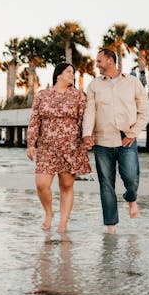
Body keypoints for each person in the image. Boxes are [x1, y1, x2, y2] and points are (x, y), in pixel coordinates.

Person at [82, 49, 149, 234]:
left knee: (131, 179)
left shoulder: (132, 82)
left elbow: (144, 111)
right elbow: (90, 111)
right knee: (106, 184)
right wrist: (87, 133)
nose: (96, 64)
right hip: (102, 141)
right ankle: (110, 226)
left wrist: (134, 133)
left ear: (110, 61)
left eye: (99, 61)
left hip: (126, 138)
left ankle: (131, 198)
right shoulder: (94, 85)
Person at [27, 63, 91, 233]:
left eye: (73, 72)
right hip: (47, 147)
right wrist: (31, 143)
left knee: (66, 185)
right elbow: (34, 120)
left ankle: (63, 223)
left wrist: (87, 139)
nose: (72, 75)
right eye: (69, 72)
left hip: (70, 146)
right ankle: (49, 213)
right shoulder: (42, 95)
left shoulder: (79, 96)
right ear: (58, 75)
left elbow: (86, 119)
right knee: (41, 184)